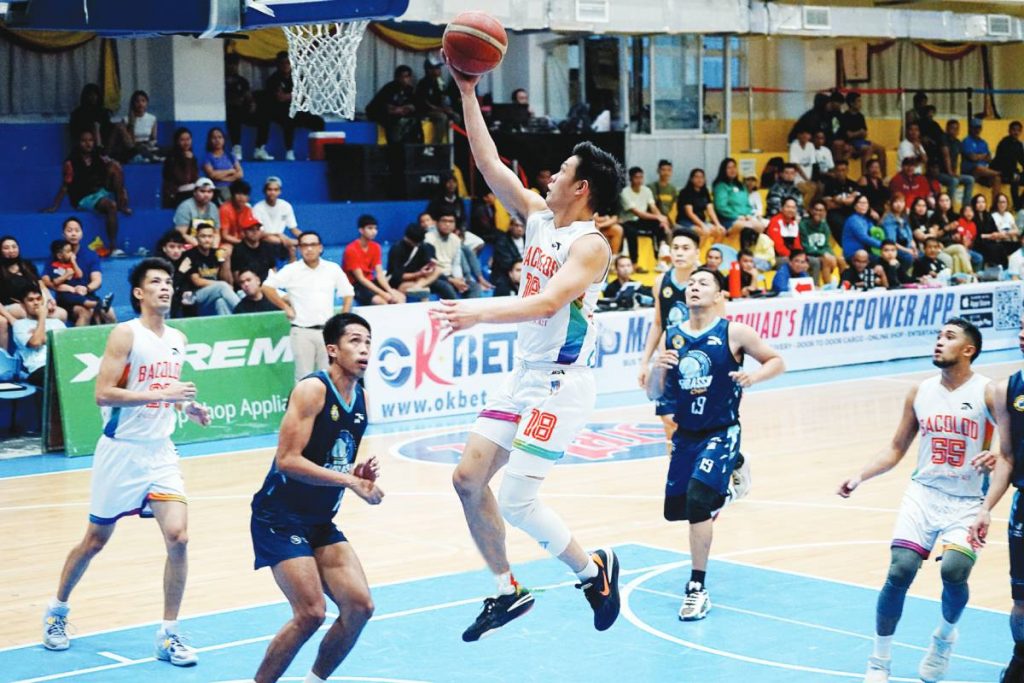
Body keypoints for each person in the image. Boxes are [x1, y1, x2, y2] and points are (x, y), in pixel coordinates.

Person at [437, 56, 626, 641]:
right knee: (468, 480)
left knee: (517, 499)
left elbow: (548, 304)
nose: (550, 176)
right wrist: (469, 91)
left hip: (560, 384)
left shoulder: (591, 244)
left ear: (582, 187)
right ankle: (506, 590)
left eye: (561, 170)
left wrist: (479, 310)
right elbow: (489, 164)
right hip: (525, 374)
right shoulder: (541, 217)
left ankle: (594, 571)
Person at [41, 258, 212, 663]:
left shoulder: (178, 338)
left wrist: (189, 407)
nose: (165, 288)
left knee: (179, 538)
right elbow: (103, 393)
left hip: (160, 452)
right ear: (139, 292)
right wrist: (164, 397)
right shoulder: (125, 334)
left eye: (168, 282)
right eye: (156, 282)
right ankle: (57, 611)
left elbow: (164, 388)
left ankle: (169, 634)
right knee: (95, 540)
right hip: (121, 452)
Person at [838, 318, 993, 683]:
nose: (939, 342)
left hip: (968, 499)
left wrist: (996, 456)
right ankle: (879, 660)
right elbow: (896, 447)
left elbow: (1011, 445)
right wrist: (860, 475)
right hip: (924, 493)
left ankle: (943, 638)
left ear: (969, 350)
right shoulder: (919, 391)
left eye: (949, 337)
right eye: (938, 336)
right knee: (900, 570)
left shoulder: (989, 392)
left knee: (954, 571)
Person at [249, 312, 382, 683]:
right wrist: (347, 480)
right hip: (279, 517)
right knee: (310, 612)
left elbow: (331, 458)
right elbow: (288, 461)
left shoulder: (363, 401)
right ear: (332, 350)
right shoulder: (313, 390)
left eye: (368, 341)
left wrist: (358, 478)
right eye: (355, 341)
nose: (364, 349)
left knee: (360, 606)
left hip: (320, 521)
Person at [647, 267, 783, 620]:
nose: (694, 288)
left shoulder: (734, 332)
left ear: (719, 295)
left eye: (703, 283)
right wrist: (656, 370)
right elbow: (654, 392)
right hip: (686, 434)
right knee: (677, 510)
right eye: (690, 284)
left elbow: (776, 360)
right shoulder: (672, 336)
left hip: (722, 429)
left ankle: (696, 587)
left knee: (697, 502)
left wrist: (754, 375)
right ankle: (734, 468)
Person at [969, 319, 1024, 682]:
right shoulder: (1007, 389)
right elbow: (1006, 456)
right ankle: (1021, 658)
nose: (1022, 334)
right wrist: (986, 507)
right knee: (1021, 602)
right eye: (1021, 328)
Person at [262, 231, 354, 382]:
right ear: (299, 249)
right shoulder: (292, 270)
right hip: (302, 331)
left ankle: (327, 406)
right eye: (304, 245)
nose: (309, 249)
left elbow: (348, 293)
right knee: (304, 379)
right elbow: (267, 287)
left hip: (327, 332)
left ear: (320, 248)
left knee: (329, 378)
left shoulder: (332, 269)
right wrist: (285, 307)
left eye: (313, 245)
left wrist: (342, 320)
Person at [45, 129, 130, 257]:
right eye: (84, 141)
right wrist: (54, 206)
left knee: (115, 167)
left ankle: (122, 204)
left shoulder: (98, 157)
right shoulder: (71, 162)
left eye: (90, 140)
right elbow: (65, 186)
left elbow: (113, 170)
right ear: (78, 143)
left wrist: (122, 192)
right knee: (110, 205)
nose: (88, 144)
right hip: (83, 197)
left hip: (100, 191)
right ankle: (113, 247)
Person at [257, 51, 326, 161]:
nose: (286, 65)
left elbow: (304, 97)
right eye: (283, 63)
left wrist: (290, 96)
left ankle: (317, 151)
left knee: (318, 121)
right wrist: (295, 96)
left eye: (288, 62)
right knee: (289, 119)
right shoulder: (273, 79)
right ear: (278, 64)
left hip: (298, 110)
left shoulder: (299, 77)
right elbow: (280, 98)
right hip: (280, 111)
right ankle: (289, 152)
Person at [343, 214, 406, 306]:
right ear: (361, 230)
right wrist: (383, 294)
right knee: (381, 302)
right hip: (355, 285)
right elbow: (361, 279)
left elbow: (380, 274)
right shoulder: (351, 249)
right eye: (370, 228)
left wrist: (390, 291)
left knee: (400, 297)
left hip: (371, 281)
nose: (374, 232)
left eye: (376, 228)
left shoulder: (376, 247)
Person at [12, 280, 65, 386]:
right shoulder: (20, 325)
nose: (36, 303)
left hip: (62, 364)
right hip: (38, 369)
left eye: (38, 299)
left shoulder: (57, 322)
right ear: (23, 305)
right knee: (57, 378)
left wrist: (44, 337)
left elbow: (66, 344)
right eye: (31, 300)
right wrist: (42, 318)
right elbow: (36, 343)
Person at [620, 166, 671, 271]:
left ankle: (661, 259)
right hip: (628, 221)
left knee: (659, 226)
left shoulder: (646, 190)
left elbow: (653, 207)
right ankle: (634, 264)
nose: (639, 180)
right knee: (631, 232)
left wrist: (661, 219)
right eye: (636, 178)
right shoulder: (625, 192)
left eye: (641, 177)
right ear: (630, 179)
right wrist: (658, 217)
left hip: (642, 221)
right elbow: (638, 213)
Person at [712, 158, 765, 248]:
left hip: (744, 217)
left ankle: (751, 251)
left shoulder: (741, 186)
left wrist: (748, 215)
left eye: (734, 167)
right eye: (729, 168)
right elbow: (721, 207)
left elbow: (747, 204)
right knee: (746, 226)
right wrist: (737, 216)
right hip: (728, 219)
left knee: (760, 226)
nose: (732, 170)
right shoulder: (721, 186)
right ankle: (744, 251)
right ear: (723, 170)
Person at [224, 52, 268, 161]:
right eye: (230, 63)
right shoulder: (221, 80)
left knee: (264, 117)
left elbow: (248, 96)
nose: (232, 66)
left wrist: (252, 104)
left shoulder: (242, 81)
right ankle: (236, 147)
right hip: (230, 112)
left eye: (234, 64)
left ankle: (259, 148)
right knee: (233, 114)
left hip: (243, 111)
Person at [385, 223, 449, 298]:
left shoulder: (424, 246)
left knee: (440, 275)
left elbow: (429, 264)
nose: (418, 244)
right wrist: (419, 274)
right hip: (401, 281)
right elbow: (397, 276)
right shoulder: (397, 249)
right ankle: (418, 290)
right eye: (416, 243)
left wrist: (430, 266)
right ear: (407, 238)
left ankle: (417, 287)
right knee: (423, 290)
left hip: (421, 280)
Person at [425, 210, 477, 298]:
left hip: (451, 275)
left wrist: (459, 278)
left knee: (473, 287)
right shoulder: (428, 239)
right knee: (447, 288)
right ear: (436, 223)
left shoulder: (456, 240)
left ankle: (470, 311)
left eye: (451, 221)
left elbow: (456, 264)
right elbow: (430, 267)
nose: (448, 224)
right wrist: (452, 280)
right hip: (434, 277)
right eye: (444, 221)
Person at [367, 65, 421, 146]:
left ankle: (418, 146)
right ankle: (393, 146)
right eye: (401, 77)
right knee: (393, 122)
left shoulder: (410, 90)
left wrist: (408, 108)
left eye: (407, 77)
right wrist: (393, 109)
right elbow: (377, 105)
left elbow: (417, 105)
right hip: (387, 115)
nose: (404, 80)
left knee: (415, 121)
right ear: (396, 77)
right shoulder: (389, 88)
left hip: (403, 115)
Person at [251, 176, 300, 258]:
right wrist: (280, 235)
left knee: (293, 248)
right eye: (269, 189)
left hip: (282, 241)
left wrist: (305, 238)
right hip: (264, 241)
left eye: (276, 190)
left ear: (280, 191)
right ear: (264, 191)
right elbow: (260, 234)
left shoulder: (286, 206)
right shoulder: (257, 208)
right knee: (288, 244)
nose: (272, 192)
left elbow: (294, 229)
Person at [841, 91, 887, 176]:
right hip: (852, 143)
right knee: (867, 148)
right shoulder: (845, 116)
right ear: (851, 103)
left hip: (861, 141)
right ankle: (866, 177)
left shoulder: (860, 116)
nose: (860, 103)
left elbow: (865, 133)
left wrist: (859, 133)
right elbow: (848, 135)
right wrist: (859, 132)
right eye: (858, 101)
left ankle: (883, 176)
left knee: (881, 149)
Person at [107, 90, 159, 164]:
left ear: (147, 103)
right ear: (133, 104)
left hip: (146, 146)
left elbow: (153, 138)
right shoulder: (126, 119)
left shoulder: (152, 118)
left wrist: (149, 145)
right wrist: (132, 124)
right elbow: (128, 140)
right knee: (119, 126)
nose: (140, 104)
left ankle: (146, 156)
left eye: (143, 101)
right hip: (132, 147)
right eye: (137, 101)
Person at [415, 54, 458, 144]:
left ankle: (457, 145)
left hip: (439, 109)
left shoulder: (439, 82)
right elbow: (425, 103)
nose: (439, 70)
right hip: (425, 111)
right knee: (442, 117)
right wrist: (442, 110)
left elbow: (442, 98)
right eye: (436, 68)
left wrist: (448, 109)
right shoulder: (423, 83)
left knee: (456, 116)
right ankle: (436, 145)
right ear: (429, 70)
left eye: (439, 68)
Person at [676, 168, 726, 242]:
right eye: (697, 177)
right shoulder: (685, 192)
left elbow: (710, 210)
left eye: (702, 177)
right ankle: (696, 253)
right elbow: (689, 213)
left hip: (701, 221)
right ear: (691, 179)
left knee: (721, 231)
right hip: (686, 221)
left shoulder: (705, 192)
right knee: (704, 232)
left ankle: (713, 252)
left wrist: (718, 224)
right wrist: (703, 225)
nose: (700, 179)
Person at [231, 219, 284, 284]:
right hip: (247, 287)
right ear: (244, 232)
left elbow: (273, 268)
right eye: (251, 229)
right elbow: (236, 276)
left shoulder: (267, 246)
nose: (255, 232)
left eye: (258, 229)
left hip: (267, 285)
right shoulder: (238, 250)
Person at [173, 177, 220, 247]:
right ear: (195, 192)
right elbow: (181, 234)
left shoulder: (213, 207)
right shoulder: (185, 207)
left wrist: (214, 249)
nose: (206, 195)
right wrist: (200, 247)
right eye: (202, 191)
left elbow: (216, 233)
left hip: (207, 244)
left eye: (209, 192)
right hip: (189, 245)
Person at [799, 199, 837, 284]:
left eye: (821, 210)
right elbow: (805, 247)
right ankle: (829, 286)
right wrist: (823, 253)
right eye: (816, 210)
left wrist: (832, 255)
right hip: (807, 254)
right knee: (826, 259)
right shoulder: (803, 225)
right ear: (811, 211)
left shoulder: (825, 226)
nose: (818, 212)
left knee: (841, 260)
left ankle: (843, 287)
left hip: (820, 254)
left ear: (825, 213)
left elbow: (826, 245)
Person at [155, 230, 192, 318]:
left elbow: (186, 282)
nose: (176, 251)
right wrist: (181, 272)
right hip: (159, 298)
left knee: (189, 297)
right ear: (164, 248)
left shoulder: (184, 260)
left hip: (179, 298)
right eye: (172, 247)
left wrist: (186, 292)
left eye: (179, 247)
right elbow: (167, 286)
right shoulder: (159, 263)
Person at [822, 159, 860, 243]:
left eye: (843, 170)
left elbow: (857, 202)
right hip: (835, 213)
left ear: (847, 171)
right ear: (835, 171)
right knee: (838, 222)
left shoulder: (853, 184)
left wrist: (837, 200)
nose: (841, 173)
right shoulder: (829, 185)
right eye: (838, 170)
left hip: (851, 212)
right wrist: (846, 202)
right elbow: (828, 205)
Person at [962, 119, 1003, 194]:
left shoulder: (983, 142)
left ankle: (995, 203)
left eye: (979, 128)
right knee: (979, 168)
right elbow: (972, 157)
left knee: (997, 178)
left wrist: (979, 156)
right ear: (971, 128)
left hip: (984, 172)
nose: (977, 130)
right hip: (971, 172)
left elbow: (989, 158)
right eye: (975, 128)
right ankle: (1000, 173)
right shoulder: (967, 141)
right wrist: (983, 156)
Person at [939, 119, 975, 206]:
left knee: (970, 179)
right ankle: (949, 207)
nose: (954, 131)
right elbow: (946, 156)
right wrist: (950, 172)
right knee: (954, 181)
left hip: (952, 173)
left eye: (956, 129)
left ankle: (966, 207)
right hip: (941, 173)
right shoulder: (943, 139)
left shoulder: (958, 142)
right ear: (947, 129)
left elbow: (964, 157)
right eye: (952, 128)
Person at [202, 127, 243, 203]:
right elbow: (212, 175)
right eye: (214, 138)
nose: (217, 140)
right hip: (218, 188)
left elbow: (240, 174)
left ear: (224, 140)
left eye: (220, 137)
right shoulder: (207, 158)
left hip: (234, 186)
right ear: (210, 140)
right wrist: (230, 171)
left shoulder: (231, 156)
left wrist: (222, 177)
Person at [162, 127, 199, 209]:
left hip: (190, 192)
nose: (186, 143)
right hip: (176, 195)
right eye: (182, 140)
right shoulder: (172, 158)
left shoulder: (193, 157)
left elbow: (194, 178)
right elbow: (183, 179)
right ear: (177, 142)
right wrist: (188, 161)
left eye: (188, 139)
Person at [491, 214, 526, 297]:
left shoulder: (529, 238)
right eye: (516, 225)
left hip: (524, 270)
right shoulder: (501, 241)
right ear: (510, 226)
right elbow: (506, 262)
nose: (519, 229)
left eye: (522, 226)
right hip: (505, 274)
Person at [68, 83, 112, 149]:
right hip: (86, 140)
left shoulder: (103, 111)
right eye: (90, 95)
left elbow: (107, 128)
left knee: (119, 127)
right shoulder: (78, 112)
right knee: (95, 126)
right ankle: (99, 150)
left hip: (104, 140)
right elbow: (75, 131)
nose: (93, 97)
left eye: (95, 94)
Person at [881, 193, 917, 270]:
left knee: (922, 255)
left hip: (907, 246)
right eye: (896, 202)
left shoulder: (904, 217)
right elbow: (892, 242)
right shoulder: (888, 219)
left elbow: (910, 236)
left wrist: (914, 248)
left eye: (901, 202)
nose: (899, 204)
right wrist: (908, 250)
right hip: (895, 248)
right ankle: (901, 277)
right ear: (891, 204)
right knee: (908, 257)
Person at [841, 194, 881, 261]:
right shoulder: (853, 219)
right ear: (855, 206)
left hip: (865, 252)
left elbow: (876, 232)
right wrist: (883, 245)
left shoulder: (866, 219)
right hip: (853, 254)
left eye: (866, 203)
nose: (864, 205)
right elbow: (864, 238)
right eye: (861, 203)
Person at [994, 121, 1024, 210]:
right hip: (1003, 172)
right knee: (1015, 179)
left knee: (1016, 176)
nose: (1016, 132)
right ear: (1009, 131)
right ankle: (1017, 205)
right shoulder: (1004, 143)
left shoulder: (1019, 144)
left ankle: (1019, 203)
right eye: (1014, 130)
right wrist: (1014, 173)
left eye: (1018, 130)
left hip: (1014, 172)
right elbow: (1002, 161)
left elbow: (1022, 160)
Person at [765, 196, 803, 266]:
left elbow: (797, 245)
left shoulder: (794, 223)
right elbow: (778, 247)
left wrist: (800, 256)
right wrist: (794, 258)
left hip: (791, 257)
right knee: (793, 263)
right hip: (775, 257)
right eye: (788, 207)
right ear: (782, 208)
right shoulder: (775, 221)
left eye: (793, 208)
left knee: (813, 262)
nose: (791, 210)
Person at [219, 179, 256, 250]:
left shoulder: (248, 209)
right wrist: (243, 243)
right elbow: (225, 236)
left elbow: (250, 231)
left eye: (244, 194)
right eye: (238, 193)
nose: (241, 197)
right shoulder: (225, 209)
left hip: (242, 242)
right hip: (227, 242)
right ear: (232, 195)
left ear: (248, 197)